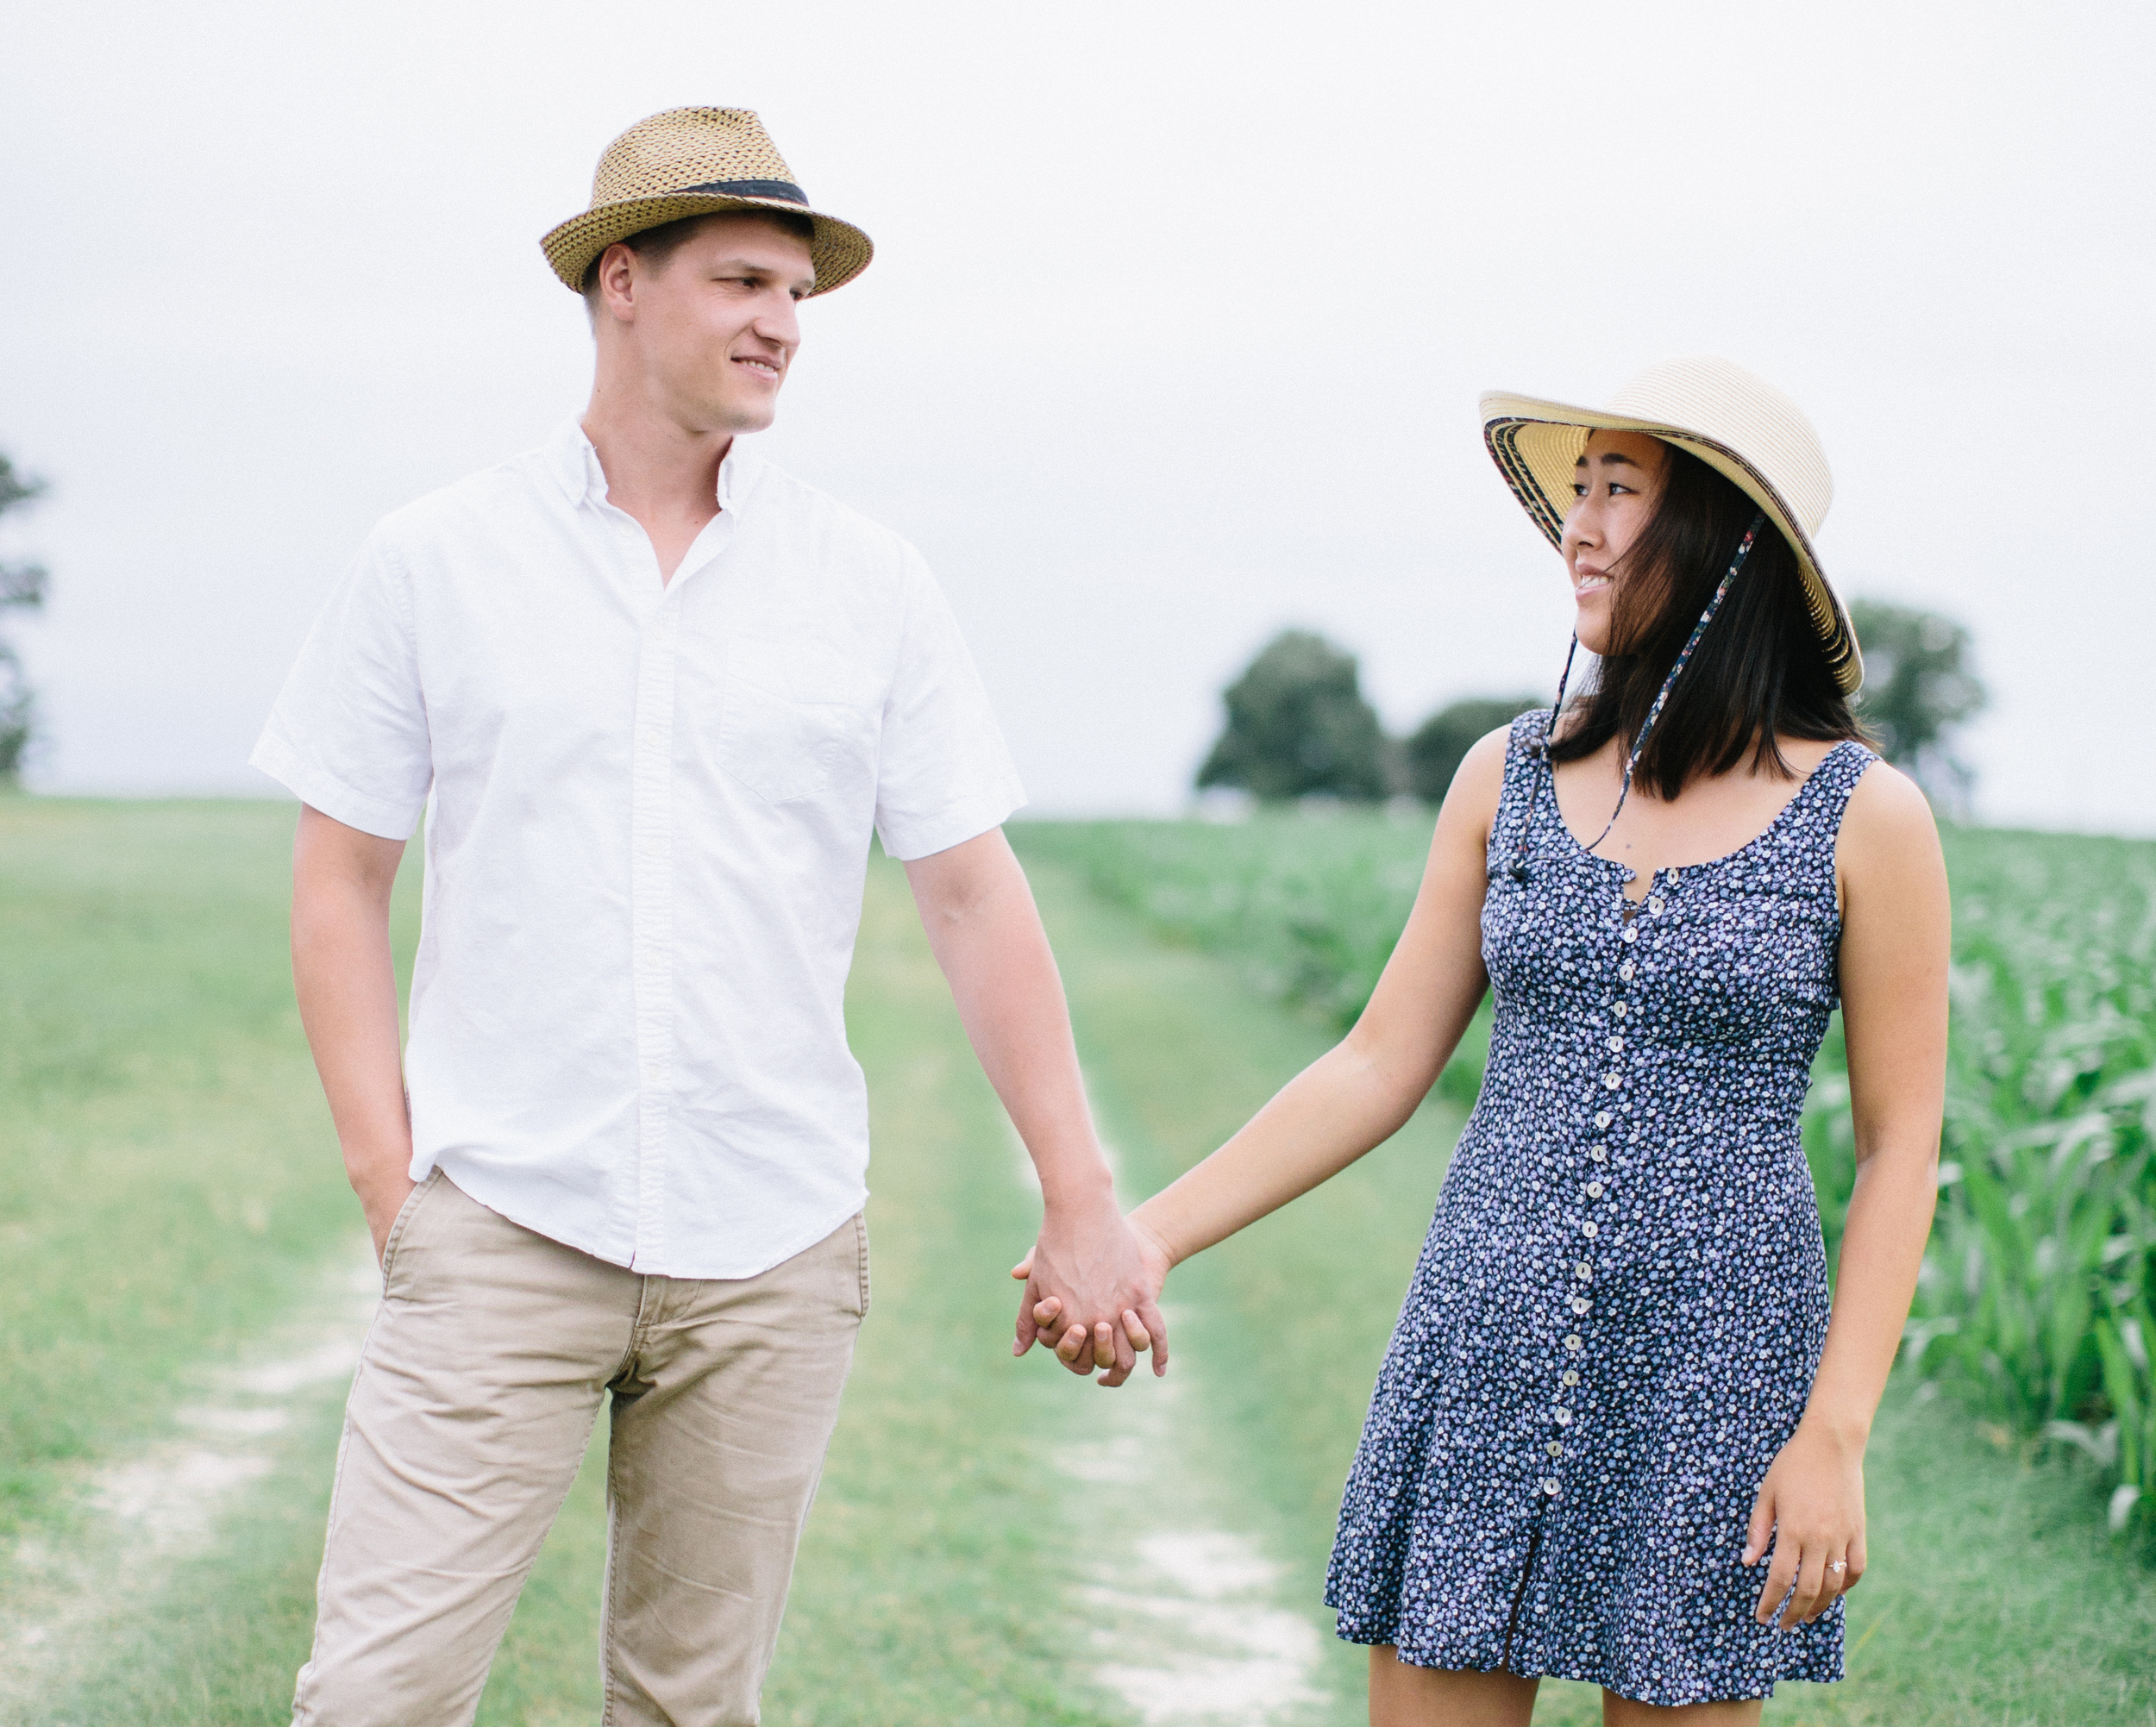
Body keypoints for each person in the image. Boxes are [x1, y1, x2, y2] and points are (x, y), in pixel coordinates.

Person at [251, 106, 1163, 1727]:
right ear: (622, 280)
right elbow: (342, 876)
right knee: (375, 1700)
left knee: (690, 1711)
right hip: (501, 1227)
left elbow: (969, 891)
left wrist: (1081, 1191)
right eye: (745, 281)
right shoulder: (434, 559)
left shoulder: (867, 582)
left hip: (771, 1248)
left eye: (797, 295)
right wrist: (393, 1188)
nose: (782, 327)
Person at [1039, 358, 1949, 1724]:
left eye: (1618, 491)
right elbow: (1375, 1064)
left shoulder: (1870, 818)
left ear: (1729, 535)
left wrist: (1835, 1432)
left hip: (1719, 1372)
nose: (1577, 526)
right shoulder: (1504, 776)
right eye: (1574, 492)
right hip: (1487, 1338)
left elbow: (1901, 1144)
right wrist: (1145, 1236)